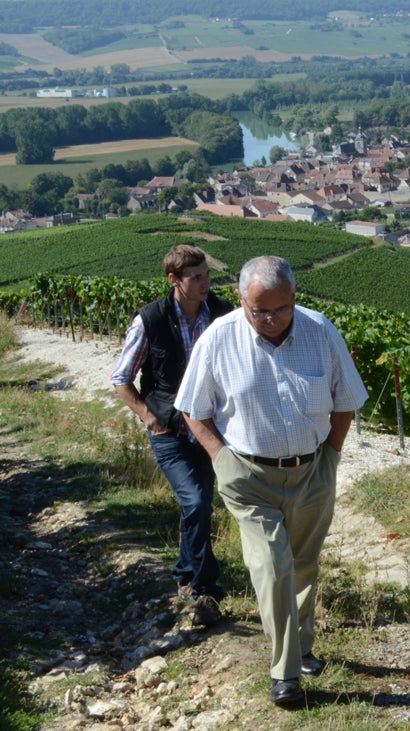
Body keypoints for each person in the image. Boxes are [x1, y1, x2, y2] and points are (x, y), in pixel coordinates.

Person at [175, 255, 367, 707]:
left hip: (311, 469)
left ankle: (302, 646)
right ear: (241, 299)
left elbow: (345, 401)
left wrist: (332, 457)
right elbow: (193, 408)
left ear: (294, 298)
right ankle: (286, 674)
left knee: (302, 565)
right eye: (259, 310)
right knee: (272, 565)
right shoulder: (218, 338)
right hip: (248, 476)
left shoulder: (320, 330)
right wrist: (222, 460)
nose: (271, 320)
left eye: (282, 309)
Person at [111, 244, 234, 628]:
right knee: (197, 502)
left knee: (197, 504)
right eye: (195, 277)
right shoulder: (149, 320)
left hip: (210, 429)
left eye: (206, 275)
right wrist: (151, 420)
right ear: (174, 280)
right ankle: (205, 590)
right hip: (171, 431)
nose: (204, 283)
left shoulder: (223, 315)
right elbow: (121, 378)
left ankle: (184, 573)